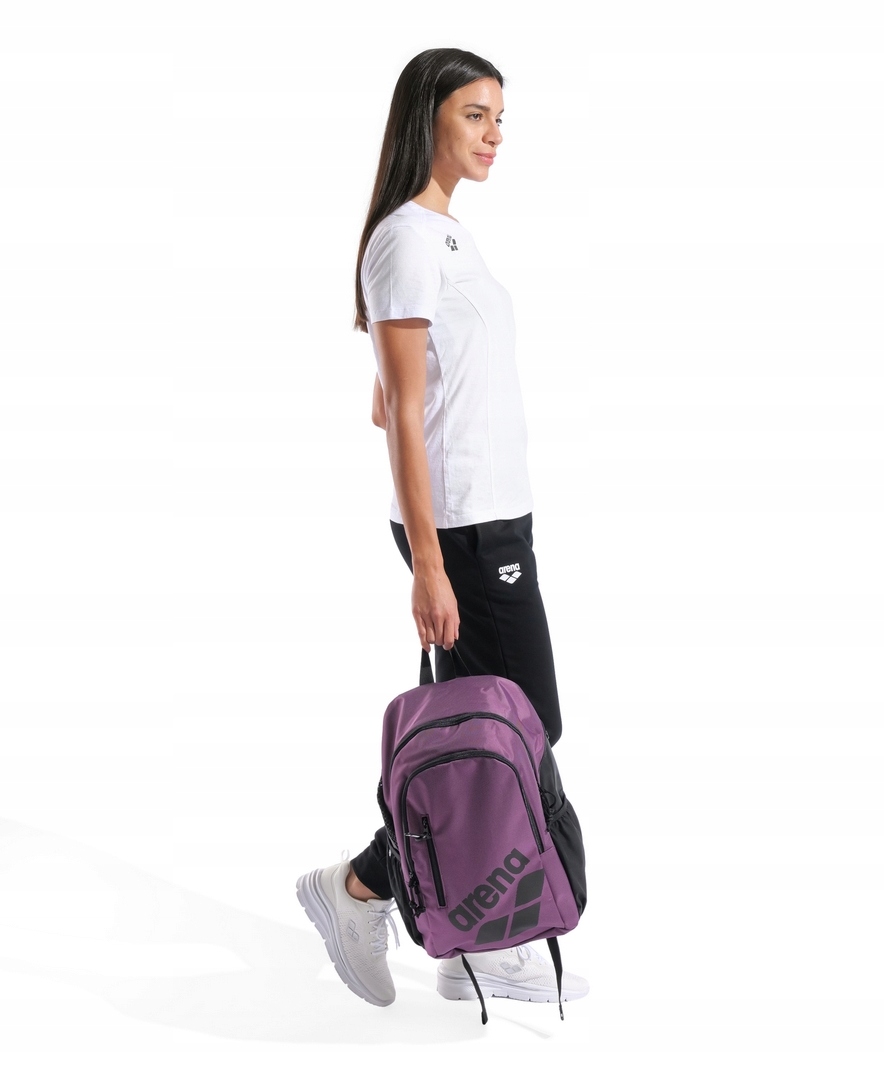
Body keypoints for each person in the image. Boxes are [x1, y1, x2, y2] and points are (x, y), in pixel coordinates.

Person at [297, 47, 587, 1010]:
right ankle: (364, 889)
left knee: (502, 730)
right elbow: (404, 420)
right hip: (464, 534)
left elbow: (390, 400)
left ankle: (466, 938)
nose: (495, 134)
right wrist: (428, 560)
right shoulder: (407, 240)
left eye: (501, 117)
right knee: (527, 723)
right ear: (427, 118)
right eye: (475, 114)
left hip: (494, 520)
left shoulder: (443, 234)